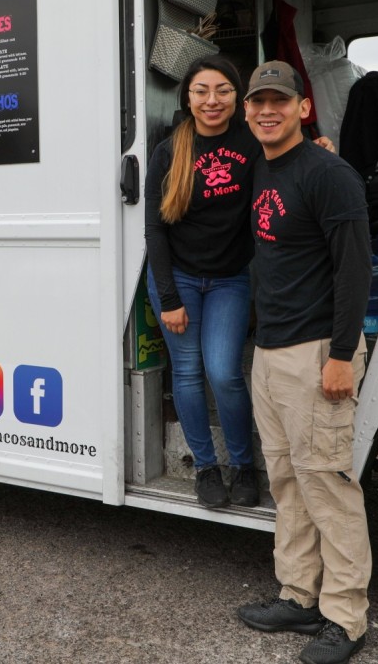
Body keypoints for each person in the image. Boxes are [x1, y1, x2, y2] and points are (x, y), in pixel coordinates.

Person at [236, 60, 373, 664]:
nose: (268, 111)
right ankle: (298, 595)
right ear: (248, 112)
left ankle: (346, 618)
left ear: (303, 108)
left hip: (317, 350)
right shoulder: (265, 165)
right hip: (270, 353)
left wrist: (342, 355)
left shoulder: (329, 174)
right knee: (288, 481)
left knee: (327, 486)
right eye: (258, 102)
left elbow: (355, 268)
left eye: (279, 102)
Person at [144, 56, 263, 508]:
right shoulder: (169, 151)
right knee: (189, 375)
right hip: (177, 282)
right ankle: (207, 469)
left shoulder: (254, 143)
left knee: (224, 373)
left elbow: (292, 167)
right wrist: (169, 297)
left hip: (231, 280)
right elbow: (155, 229)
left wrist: (320, 147)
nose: (212, 100)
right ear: (188, 98)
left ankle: (244, 466)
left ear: (238, 98)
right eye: (201, 91)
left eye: (223, 91)